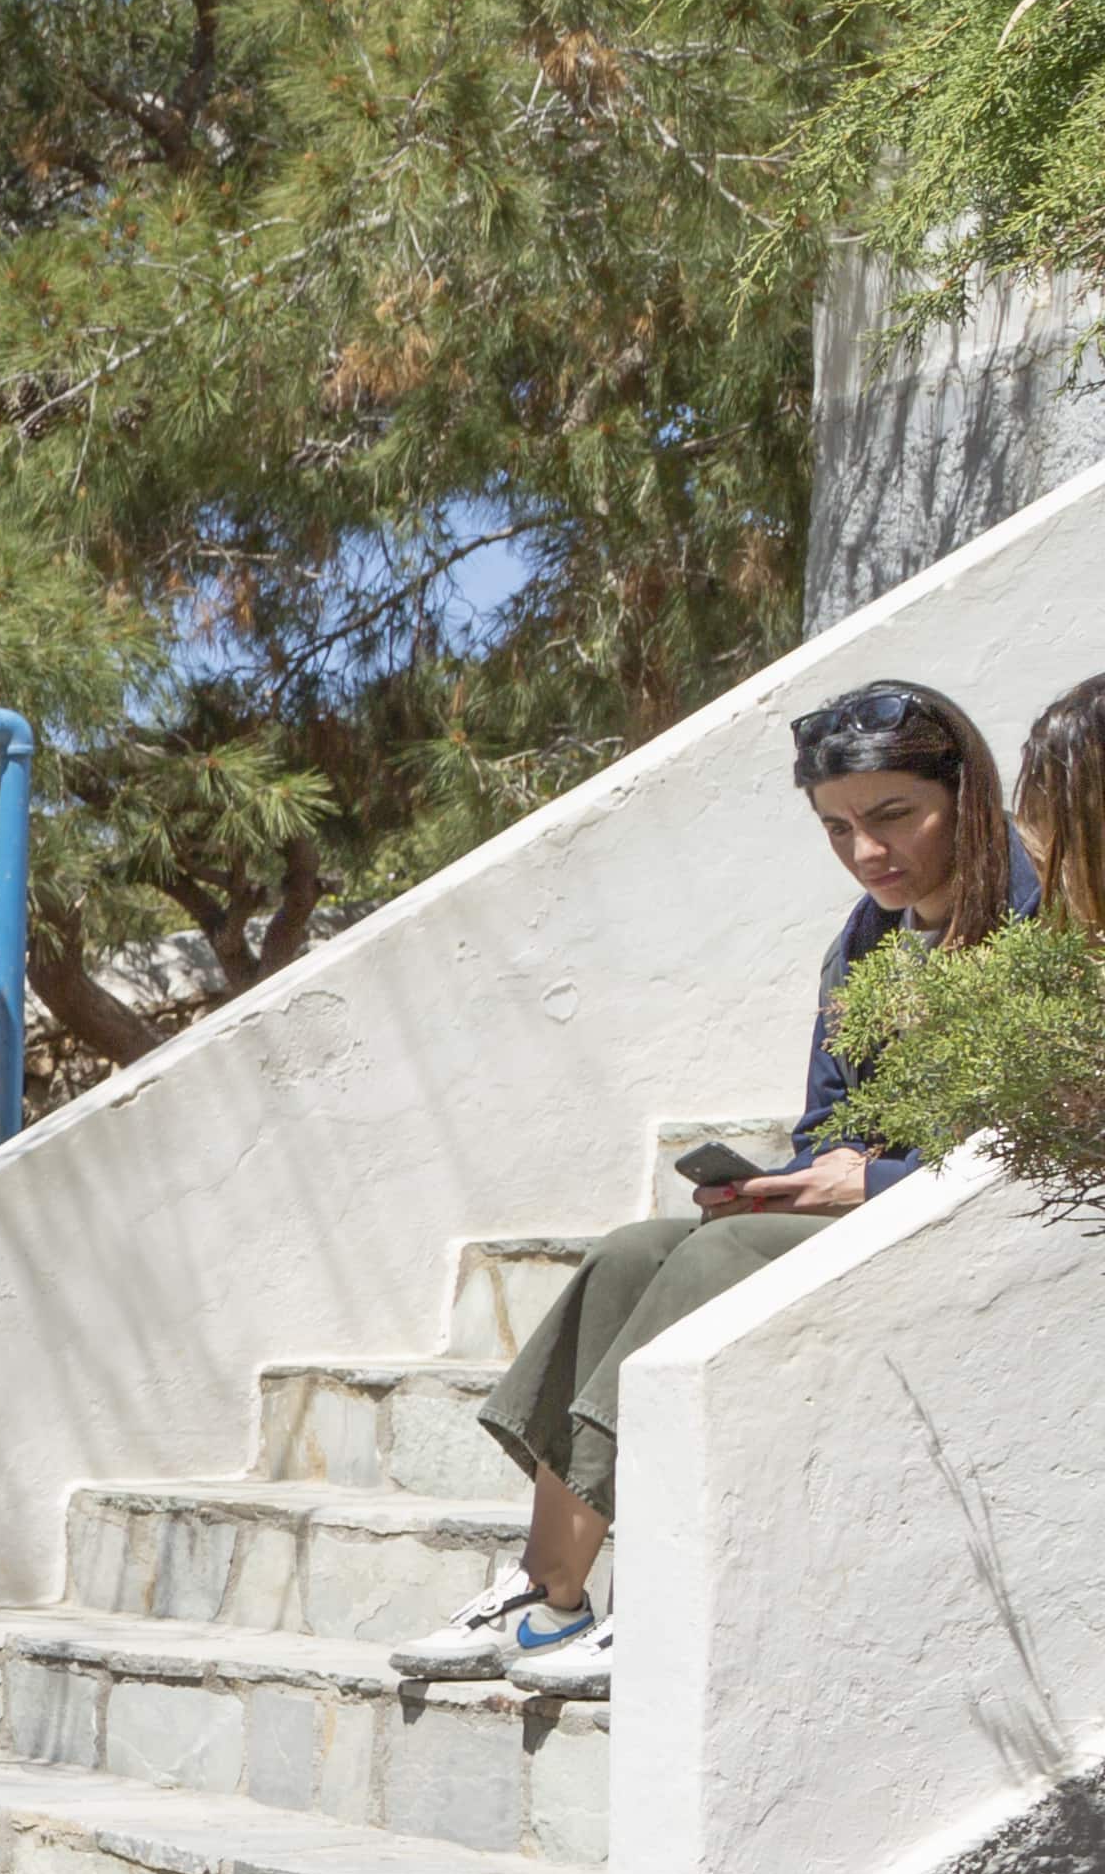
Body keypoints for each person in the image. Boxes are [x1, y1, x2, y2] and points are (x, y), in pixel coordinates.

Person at [390, 680, 1021, 1703]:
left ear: (969, 792)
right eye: (838, 829)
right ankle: (548, 1594)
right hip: (869, 1205)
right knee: (636, 1248)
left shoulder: (1041, 914)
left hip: (952, 1214)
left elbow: (1040, 1136)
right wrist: (788, 1184)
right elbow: (827, 1125)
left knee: (718, 1262)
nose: (868, 852)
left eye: (895, 815)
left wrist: (883, 1176)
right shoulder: (864, 943)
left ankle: (644, 1598)